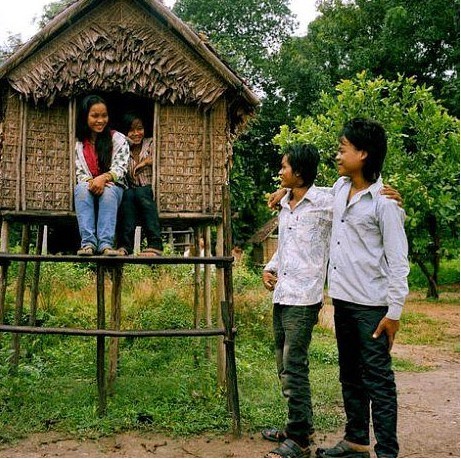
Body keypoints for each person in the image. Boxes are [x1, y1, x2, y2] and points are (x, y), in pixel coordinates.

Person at [316, 118, 409, 458]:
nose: (337, 155)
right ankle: (356, 440)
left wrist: (394, 313)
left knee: (378, 381)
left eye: (343, 149)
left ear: (363, 154)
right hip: (343, 301)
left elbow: (399, 263)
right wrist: (287, 191)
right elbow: (318, 197)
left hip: (372, 306)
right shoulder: (340, 190)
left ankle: (387, 451)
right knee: (350, 375)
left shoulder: (385, 204)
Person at [261, 143, 333, 458]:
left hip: (304, 298)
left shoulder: (325, 202)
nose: (280, 172)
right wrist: (269, 268)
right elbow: (286, 247)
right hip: (282, 294)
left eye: (284, 167)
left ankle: (301, 439)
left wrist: (384, 191)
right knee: (282, 363)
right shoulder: (287, 206)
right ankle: (297, 425)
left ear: (299, 172)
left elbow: (357, 189)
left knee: (294, 364)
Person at [74, 95, 129, 256]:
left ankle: (105, 244)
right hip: (89, 185)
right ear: (85, 116)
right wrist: (93, 182)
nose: (100, 120)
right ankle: (88, 244)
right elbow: (79, 171)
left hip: (113, 185)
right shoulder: (79, 143)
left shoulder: (117, 138)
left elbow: (121, 167)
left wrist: (104, 178)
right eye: (95, 116)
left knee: (109, 192)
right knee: (81, 189)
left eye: (104, 115)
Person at [116, 112, 163, 256]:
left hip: (150, 191)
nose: (136, 133)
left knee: (141, 192)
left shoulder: (151, 143)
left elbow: (162, 155)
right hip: (133, 194)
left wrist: (145, 162)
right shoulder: (122, 149)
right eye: (131, 130)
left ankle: (155, 244)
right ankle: (125, 246)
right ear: (125, 132)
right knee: (128, 195)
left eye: (139, 128)